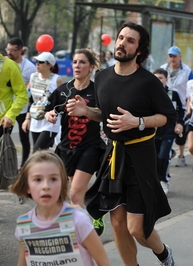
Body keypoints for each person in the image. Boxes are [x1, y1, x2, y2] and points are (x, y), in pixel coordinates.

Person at [66, 22, 177, 266]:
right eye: (121, 37)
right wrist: (86, 111)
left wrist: (136, 121)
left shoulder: (148, 82)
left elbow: (168, 117)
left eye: (130, 40)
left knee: (136, 228)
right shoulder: (102, 76)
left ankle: (164, 254)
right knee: (117, 222)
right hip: (113, 157)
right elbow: (102, 114)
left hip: (140, 156)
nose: (122, 43)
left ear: (139, 50)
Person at [10, 150, 110, 266]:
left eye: (53, 179)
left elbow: (104, 263)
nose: (46, 186)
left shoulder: (77, 220)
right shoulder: (24, 224)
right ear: (27, 186)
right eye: (38, 179)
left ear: (62, 183)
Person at [44, 48, 105, 211]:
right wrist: (49, 115)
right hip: (67, 148)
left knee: (75, 194)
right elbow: (49, 109)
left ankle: (78, 234)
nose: (77, 66)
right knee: (77, 196)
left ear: (91, 67)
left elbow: (103, 115)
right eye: (75, 62)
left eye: (83, 62)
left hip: (90, 148)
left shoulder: (97, 91)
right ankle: (91, 217)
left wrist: (86, 110)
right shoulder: (63, 90)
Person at [160, 45, 193, 167]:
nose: (172, 58)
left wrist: (189, 102)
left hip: (182, 105)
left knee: (181, 133)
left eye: (174, 56)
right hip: (165, 105)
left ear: (180, 57)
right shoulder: (163, 69)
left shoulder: (187, 71)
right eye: (170, 56)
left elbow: (192, 86)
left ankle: (181, 155)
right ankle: (168, 150)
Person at [22, 52, 63, 152]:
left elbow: (62, 101)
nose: (37, 64)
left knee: (37, 151)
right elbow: (31, 99)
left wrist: (54, 112)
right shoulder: (33, 77)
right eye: (36, 61)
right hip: (35, 120)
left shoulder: (56, 79)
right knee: (41, 155)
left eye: (40, 62)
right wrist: (27, 119)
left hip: (50, 123)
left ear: (49, 65)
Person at [153, 68, 184, 195]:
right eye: (156, 78)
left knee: (163, 156)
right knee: (154, 158)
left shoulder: (173, 94)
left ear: (167, 79)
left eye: (160, 78)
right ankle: (155, 182)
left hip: (169, 131)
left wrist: (180, 124)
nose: (158, 81)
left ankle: (164, 181)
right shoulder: (150, 94)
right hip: (154, 132)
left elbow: (180, 111)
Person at [6, 38, 36, 169]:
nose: (9, 52)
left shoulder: (30, 67)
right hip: (8, 109)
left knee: (24, 138)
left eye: (13, 50)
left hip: (23, 108)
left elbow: (34, 88)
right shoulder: (4, 64)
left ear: (21, 50)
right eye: (8, 49)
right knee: (5, 137)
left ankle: (23, 165)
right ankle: (6, 165)